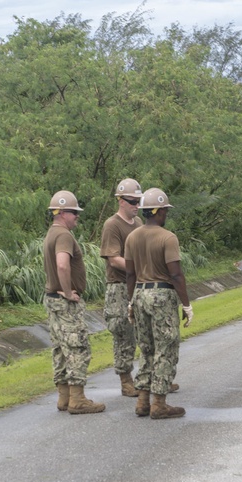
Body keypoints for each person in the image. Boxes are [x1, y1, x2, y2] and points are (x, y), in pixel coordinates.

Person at [124, 187, 192, 419]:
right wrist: (186, 304)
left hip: (140, 294)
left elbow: (130, 274)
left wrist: (130, 301)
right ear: (159, 211)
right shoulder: (167, 237)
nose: (166, 214)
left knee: (146, 348)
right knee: (166, 348)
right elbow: (175, 274)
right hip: (162, 296)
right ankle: (159, 403)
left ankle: (142, 401)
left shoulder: (132, 237)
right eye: (165, 210)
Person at [42, 190, 105, 414]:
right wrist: (69, 292)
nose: (77, 216)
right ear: (62, 213)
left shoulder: (51, 233)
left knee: (60, 348)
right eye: (74, 212)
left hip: (51, 300)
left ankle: (64, 397)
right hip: (65, 302)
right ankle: (77, 399)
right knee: (77, 347)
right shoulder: (64, 235)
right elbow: (62, 264)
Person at [100, 178, 144, 397]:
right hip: (119, 287)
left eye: (138, 201)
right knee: (123, 332)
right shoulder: (112, 225)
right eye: (132, 201)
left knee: (144, 331)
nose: (136, 205)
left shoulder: (139, 224)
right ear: (121, 201)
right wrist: (138, 267)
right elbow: (113, 259)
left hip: (139, 285)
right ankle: (126, 379)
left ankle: (148, 377)